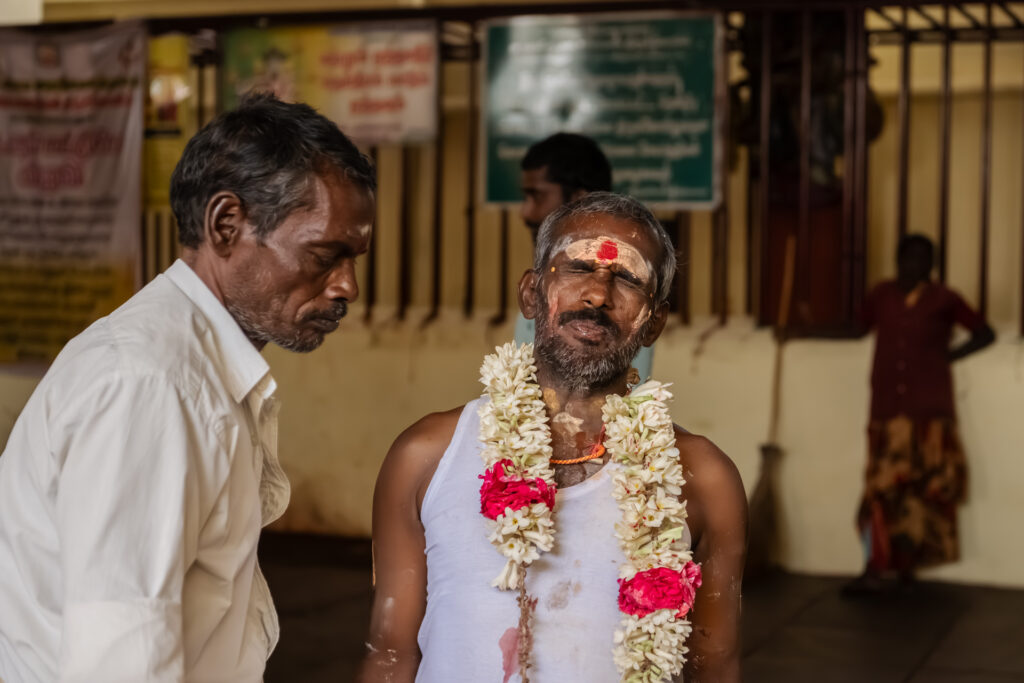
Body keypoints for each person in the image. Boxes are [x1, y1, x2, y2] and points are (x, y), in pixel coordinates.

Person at [0, 93, 375, 682]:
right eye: (325, 255)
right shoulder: (153, 385)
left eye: (354, 258)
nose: (347, 286)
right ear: (226, 225)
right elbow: (121, 658)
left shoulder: (188, 370)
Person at [360, 193, 746, 682]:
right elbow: (390, 656)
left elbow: (713, 667)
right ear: (530, 294)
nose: (598, 295)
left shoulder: (703, 479)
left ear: (655, 322)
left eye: (628, 279)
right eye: (578, 267)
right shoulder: (426, 456)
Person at [845, 234, 994, 594]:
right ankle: (874, 566)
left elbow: (984, 333)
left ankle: (907, 568)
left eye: (925, 258)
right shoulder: (881, 295)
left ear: (933, 264)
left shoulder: (945, 298)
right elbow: (856, 328)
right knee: (880, 491)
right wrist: (805, 327)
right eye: (910, 257)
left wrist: (949, 357)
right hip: (887, 413)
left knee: (923, 492)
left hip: (929, 414)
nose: (917, 264)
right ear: (898, 259)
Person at [518, 132, 654, 382]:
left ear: (579, 200)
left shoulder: (618, 297)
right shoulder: (545, 283)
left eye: (537, 196)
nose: (526, 212)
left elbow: (619, 397)